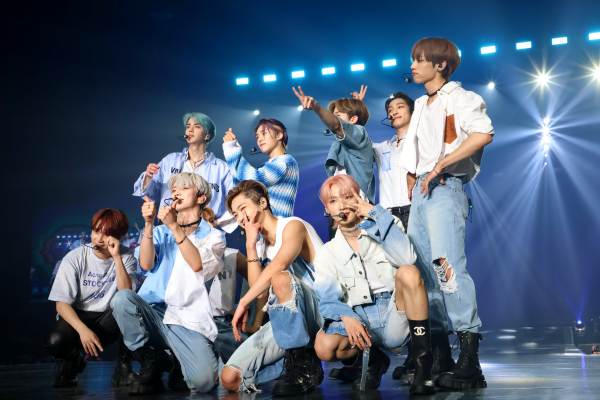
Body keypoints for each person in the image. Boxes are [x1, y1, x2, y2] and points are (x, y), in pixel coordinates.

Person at [400, 37, 495, 390]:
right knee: (424, 274)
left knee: (446, 267)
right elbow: (414, 151)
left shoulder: (461, 97)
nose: (413, 65)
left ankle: (470, 361)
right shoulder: (421, 104)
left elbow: (483, 133)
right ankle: (442, 356)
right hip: (422, 193)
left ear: (440, 64)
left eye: (419, 59)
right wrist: (414, 179)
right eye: (412, 59)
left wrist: (442, 164)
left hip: (446, 186)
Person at [313, 175, 434, 395]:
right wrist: (346, 316)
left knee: (408, 272)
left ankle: (423, 365)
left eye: (347, 197)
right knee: (323, 346)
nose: (341, 205)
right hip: (358, 318)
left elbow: (407, 258)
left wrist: (375, 214)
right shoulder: (326, 253)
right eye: (333, 201)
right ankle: (373, 359)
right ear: (327, 209)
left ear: (359, 198)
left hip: (393, 312)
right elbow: (327, 298)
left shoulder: (387, 223)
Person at [111, 172, 226, 394]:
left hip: (186, 318)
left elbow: (197, 265)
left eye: (184, 188)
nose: (176, 192)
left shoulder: (214, 236)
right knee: (122, 299)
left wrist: (175, 227)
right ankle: (150, 358)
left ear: (201, 198)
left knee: (203, 382)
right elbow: (145, 264)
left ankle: (175, 360)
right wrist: (148, 224)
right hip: (153, 311)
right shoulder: (160, 231)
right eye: (174, 189)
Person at [220, 180, 324, 396]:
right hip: (290, 317)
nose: (240, 218)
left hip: (321, 309)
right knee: (230, 378)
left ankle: (305, 365)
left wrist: (243, 302)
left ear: (262, 203)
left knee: (279, 277)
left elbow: (280, 265)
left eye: (243, 208)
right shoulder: (260, 245)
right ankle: (291, 365)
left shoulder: (292, 225)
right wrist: (250, 246)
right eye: (235, 214)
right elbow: (259, 291)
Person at [47, 208, 137, 387]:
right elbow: (61, 304)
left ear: (119, 236)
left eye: (106, 234)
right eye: (96, 231)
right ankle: (75, 359)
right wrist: (83, 331)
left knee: (128, 307)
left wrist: (116, 257)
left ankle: (123, 367)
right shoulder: (74, 258)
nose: (98, 238)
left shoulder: (126, 257)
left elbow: (126, 293)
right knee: (55, 342)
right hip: (78, 317)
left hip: (108, 319)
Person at [132, 112, 235, 230]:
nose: (190, 130)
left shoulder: (221, 168)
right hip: (168, 230)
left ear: (207, 135)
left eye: (197, 126)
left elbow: (235, 200)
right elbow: (147, 194)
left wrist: (217, 224)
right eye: (188, 126)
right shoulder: (170, 160)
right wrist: (148, 176)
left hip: (204, 232)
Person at [292, 86, 375, 204]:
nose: (332, 119)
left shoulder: (360, 133)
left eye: (338, 116)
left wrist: (315, 106)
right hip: (342, 204)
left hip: (357, 206)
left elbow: (338, 125)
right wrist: (357, 105)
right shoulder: (346, 142)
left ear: (353, 119)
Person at [222, 118, 299, 217]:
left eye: (264, 133)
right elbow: (240, 188)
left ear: (279, 135)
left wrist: (231, 148)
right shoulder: (270, 165)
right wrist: (233, 146)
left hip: (279, 225)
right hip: (265, 225)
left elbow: (255, 179)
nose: (259, 139)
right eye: (257, 136)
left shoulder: (286, 161)